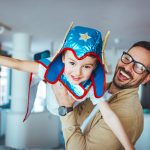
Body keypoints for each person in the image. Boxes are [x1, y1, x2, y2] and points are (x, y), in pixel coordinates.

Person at [0, 25, 134, 150]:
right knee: (43, 70)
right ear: (63, 58)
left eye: (86, 66)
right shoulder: (52, 67)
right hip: (52, 98)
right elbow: (17, 64)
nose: (77, 72)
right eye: (72, 63)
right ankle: (44, 58)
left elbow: (109, 116)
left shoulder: (91, 86)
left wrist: (129, 147)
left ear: (94, 67)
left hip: (65, 110)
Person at [53, 41, 150, 150]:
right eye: (127, 58)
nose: (127, 68)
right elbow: (76, 118)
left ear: (146, 78)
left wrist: (65, 107)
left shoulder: (128, 114)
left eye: (139, 67)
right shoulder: (98, 88)